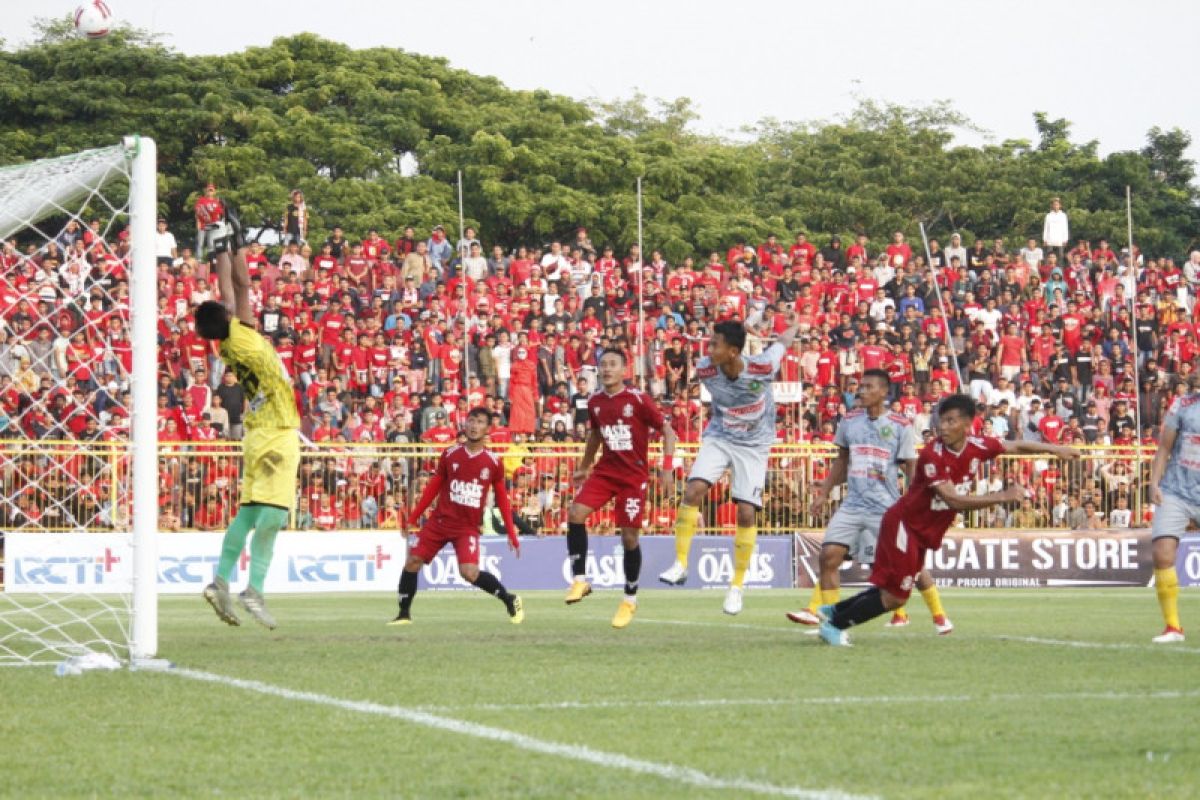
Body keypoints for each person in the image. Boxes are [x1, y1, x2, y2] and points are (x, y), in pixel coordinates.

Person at [817, 393, 1079, 647]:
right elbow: (954, 501)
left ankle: (835, 610)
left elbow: (1017, 445)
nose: (943, 426)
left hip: (923, 530)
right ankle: (836, 625)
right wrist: (1002, 496)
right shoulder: (934, 455)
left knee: (894, 588)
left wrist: (1054, 449)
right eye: (942, 420)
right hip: (904, 526)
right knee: (896, 597)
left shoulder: (979, 446)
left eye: (951, 421)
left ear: (968, 424)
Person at [786, 369, 954, 635]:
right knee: (829, 556)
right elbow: (842, 461)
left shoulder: (901, 426)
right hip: (853, 504)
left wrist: (917, 504)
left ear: (884, 392)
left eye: (867, 386)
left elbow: (911, 467)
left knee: (905, 567)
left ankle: (939, 615)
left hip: (886, 509)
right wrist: (824, 491)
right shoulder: (849, 421)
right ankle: (832, 624)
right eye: (859, 386)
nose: (860, 391)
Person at [659, 315, 800, 614]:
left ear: (734, 352)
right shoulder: (705, 368)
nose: (709, 348)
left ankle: (736, 587)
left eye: (715, 344)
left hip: (754, 445)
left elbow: (783, 343)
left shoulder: (762, 366)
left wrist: (797, 325)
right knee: (693, 490)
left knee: (747, 511)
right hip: (720, 436)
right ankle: (681, 563)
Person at [197, 224, 300, 630]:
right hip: (277, 428)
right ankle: (253, 588)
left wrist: (232, 244)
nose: (234, 305)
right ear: (224, 319)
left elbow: (237, 285)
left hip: (258, 432)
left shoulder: (231, 337)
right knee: (272, 517)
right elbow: (234, 286)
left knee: (250, 511)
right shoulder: (240, 339)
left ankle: (220, 581)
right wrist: (226, 248)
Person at [565, 348, 676, 628]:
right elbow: (595, 435)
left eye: (612, 364)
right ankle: (580, 581)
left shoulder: (638, 400)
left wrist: (666, 468)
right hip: (606, 472)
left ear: (624, 370)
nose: (606, 369)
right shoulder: (595, 401)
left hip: (632, 476)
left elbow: (668, 431)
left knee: (629, 538)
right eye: (602, 365)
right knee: (575, 514)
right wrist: (584, 466)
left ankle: (629, 598)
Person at [388, 407, 523, 625]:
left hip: (466, 528)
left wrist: (511, 533)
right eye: (471, 420)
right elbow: (433, 487)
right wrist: (413, 517)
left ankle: (509, 599)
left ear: (488, 429)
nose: (474, 425)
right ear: (465, 424)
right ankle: (404, 614)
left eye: (479, 422)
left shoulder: (493, 462)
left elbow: (503, 500)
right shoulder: (450, 454)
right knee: (413, 561)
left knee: (469, 573)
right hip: (440, 522)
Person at [1147, 374, 1200, 644]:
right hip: (1177, 490)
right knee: (1162, 553)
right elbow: (1164, 447)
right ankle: (1173, 627)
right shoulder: (1182, 404)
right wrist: (1154, 483)